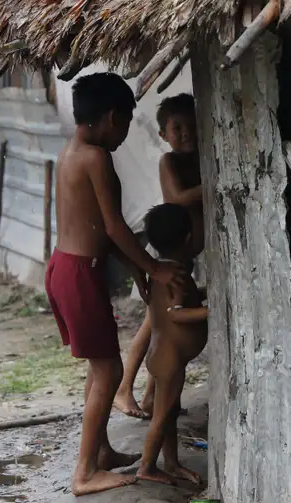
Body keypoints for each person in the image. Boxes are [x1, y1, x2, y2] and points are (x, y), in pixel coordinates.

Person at [44, 72, 187, 496]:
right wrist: (156, 269)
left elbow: (102, 232)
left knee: (99, 366)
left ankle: (101, 452)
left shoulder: (71, 151)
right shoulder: (96, 158)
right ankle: (84, 472)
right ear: (110, 117)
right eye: (125, 123)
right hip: (79, 272)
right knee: (110, 370)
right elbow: (115, 226)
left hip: (65, 267)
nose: (125, 133)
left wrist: (138, 270)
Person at [114, 93, 203, 419]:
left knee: (161, 329)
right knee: (153, 325)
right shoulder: (171, 162)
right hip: (165, 257)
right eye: (177, 128)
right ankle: (124, 388)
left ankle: (153, 396)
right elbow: (177, 198)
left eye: (192, 126)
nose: (186, 133)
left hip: (184, 257)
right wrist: (213, 181)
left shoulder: (198, 159)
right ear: (163, 135)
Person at [136, 203, 207, 485]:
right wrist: (209, 310)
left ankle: (172, 463)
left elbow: (179, 300)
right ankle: (147, 466)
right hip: (169, 359)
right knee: (162, 416)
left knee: (169, 412)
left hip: (161, 354)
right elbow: (175, 313)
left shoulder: (162, 271)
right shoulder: (176, 276)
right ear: (189, 237)